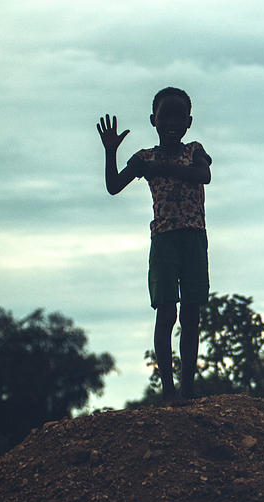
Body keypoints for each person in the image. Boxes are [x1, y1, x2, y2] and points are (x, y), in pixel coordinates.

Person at [97, 87, 212, 404]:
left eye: (179, 117)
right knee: (166, 314)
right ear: (154, 120)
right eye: (166, 116)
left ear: (189, 122)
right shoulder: (144, 158)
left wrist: (163, 168)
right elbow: (113, 186)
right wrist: (110, 151)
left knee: (191, 316)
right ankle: (170, 391)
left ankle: (187, 389)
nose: (173, 123)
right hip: (163, 241)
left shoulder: (194, 151)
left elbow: (204, 175)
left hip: (193, 239)